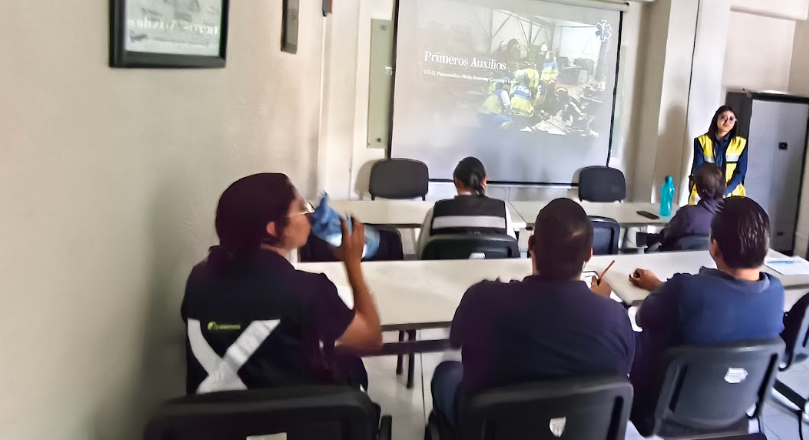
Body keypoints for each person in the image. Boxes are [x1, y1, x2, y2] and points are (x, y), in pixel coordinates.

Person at [430, 198, 635, 429]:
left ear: (530, 244)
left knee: (446, 373)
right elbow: (621, 370)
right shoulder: (616, 319)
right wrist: (600, 304)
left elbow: (457, 339)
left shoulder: (483, 299)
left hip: (492, 429)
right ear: (589, 255)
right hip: (575, 430)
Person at [181, 173, 382, 394]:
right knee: (351, 365)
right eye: (302, 208)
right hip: (289, 424)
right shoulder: (308, 290)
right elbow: (371, 338)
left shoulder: (198, 279)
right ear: (274, 228)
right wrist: (352, 264)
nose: (309, 216)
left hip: (209, 423)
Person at [628, 196, 783, 428]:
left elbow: (643, 318)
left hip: (660, 405)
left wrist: (666, 291)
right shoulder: (776, 293)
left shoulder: (685, 290)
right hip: (735, 407)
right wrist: (662, 287)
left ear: (714, 245)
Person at [417, 157, 516, 257]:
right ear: (484, 181)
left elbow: (422, 253)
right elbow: (513, 253)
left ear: (457, 181)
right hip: (493, 272)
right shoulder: (501, 211)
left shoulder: (436, 211)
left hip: (445, 272)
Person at [653, 164, 724, 251]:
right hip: (711, 263)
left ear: (697, 189)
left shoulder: (687, 213)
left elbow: (666, 237)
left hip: (674, 260)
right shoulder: (730, 218)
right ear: (725, 186)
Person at [690, 105, 748, 203]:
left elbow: (740, 172)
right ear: (716, 118)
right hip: (706, 192)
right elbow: (697, 169)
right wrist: (709, 190)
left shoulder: (741, 143)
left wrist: (726, 191)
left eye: (731, 119)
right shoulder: (701, 141)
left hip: (731, 192)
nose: (727, 121)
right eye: (724, 117)